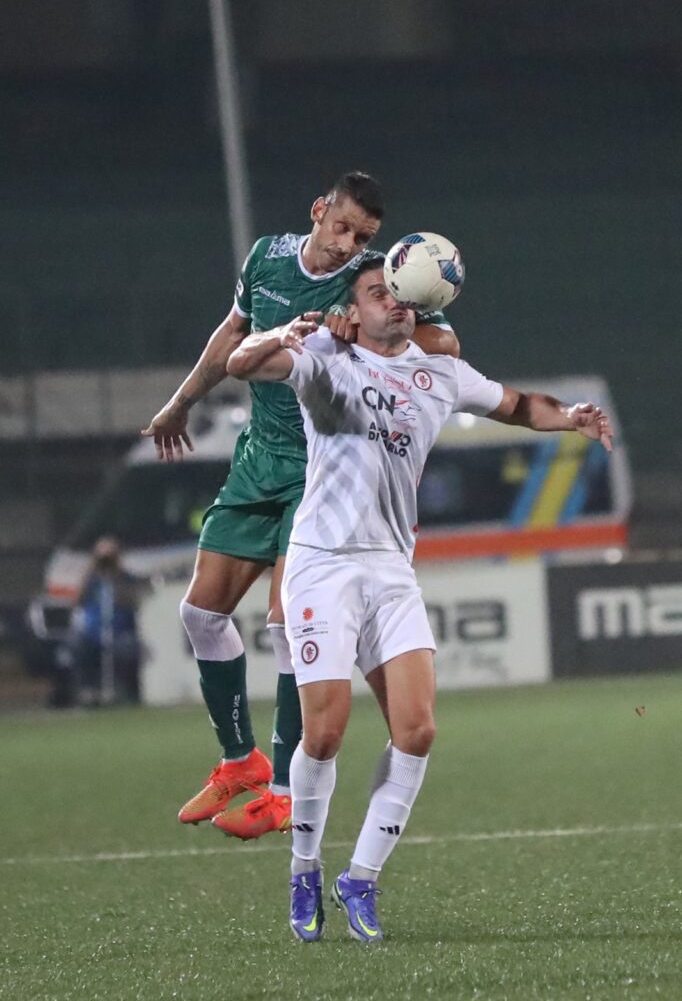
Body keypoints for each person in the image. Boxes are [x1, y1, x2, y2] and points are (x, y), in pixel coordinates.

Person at [226, 255, 612, 942]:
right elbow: (240, 364)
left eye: (400, 292)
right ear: (354, 308)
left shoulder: (438, 374)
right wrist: (284, 332)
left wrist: (571, 417)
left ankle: (360, 880)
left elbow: (518, 404)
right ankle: (306, 868)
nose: (393, 301)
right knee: (325, 731)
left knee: (418, 729)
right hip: (321, 566)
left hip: (390, 570)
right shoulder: (324, 356)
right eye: (378, 293)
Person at [141, 173, 460, 840]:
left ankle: (285, 789)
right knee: (200, 613)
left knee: (288, 624)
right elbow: (232, 334)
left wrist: (359, 339)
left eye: (363, 238)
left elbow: (444, 344)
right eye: (342, 228)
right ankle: (241, 762)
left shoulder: (375, 279)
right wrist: (180, 402)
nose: (350, 246)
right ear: (318, 212)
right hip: (260, 459)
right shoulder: (263, 259)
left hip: (324, 472)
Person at [70, 537, 146, 706]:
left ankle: (125, 692)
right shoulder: (91, 580)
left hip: (119, 632)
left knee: (128, 647)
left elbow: (134, 601)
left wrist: (115, 576)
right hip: (93, 633)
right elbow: (77, 600)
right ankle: (88, 693)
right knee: (78, 644)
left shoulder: (126, 578)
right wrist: (93, 569)